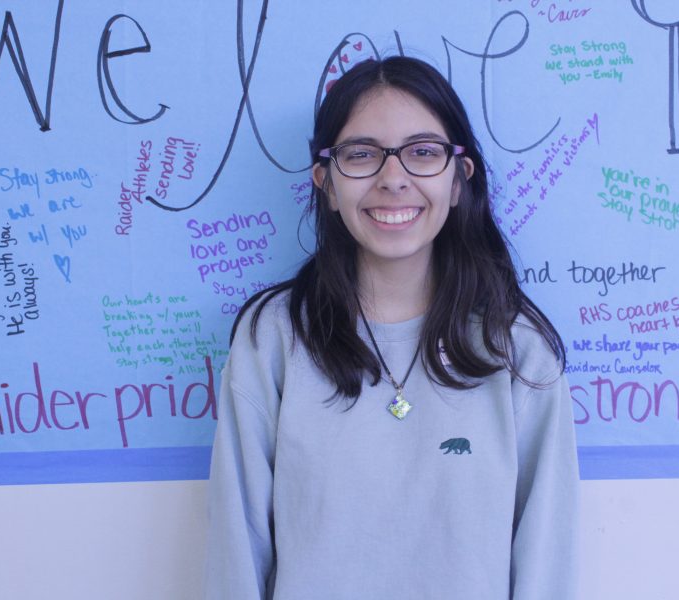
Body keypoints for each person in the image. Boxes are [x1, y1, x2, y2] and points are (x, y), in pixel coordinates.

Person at [203, 55, 579, 600]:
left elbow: (547, 564)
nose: (393, 178)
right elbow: (236, 553)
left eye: (423, 152)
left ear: (458, 179)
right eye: (362, 154)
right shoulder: (273, 340)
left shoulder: (518, 350)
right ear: (326, 183)